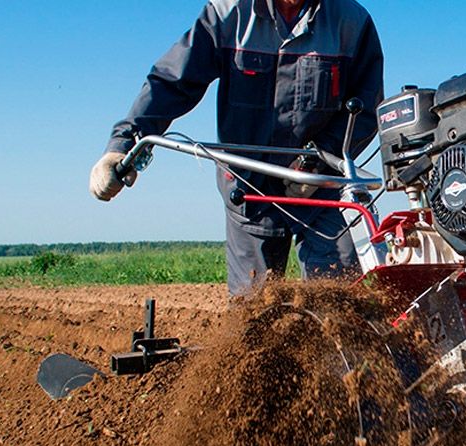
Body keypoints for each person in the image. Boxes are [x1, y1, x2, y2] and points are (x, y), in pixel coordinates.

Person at [88, 0, 384, 295]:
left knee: (338, 297)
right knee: (255, 308)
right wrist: (123, 142)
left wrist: (317, 160)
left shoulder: (351, 21)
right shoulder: (227, 14)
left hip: (320, 186)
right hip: (249, 185)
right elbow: (171, 83)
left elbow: (366, 107)